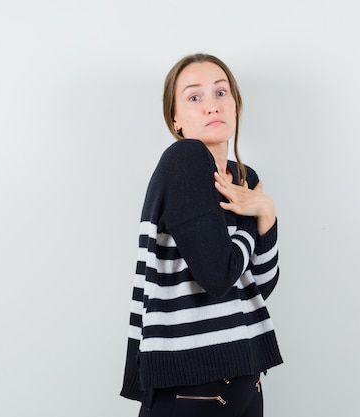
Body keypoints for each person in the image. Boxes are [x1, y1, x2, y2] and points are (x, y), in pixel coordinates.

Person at [120, 53, 283, 417]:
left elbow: (259, 286)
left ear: (236, 105)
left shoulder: (245, 178)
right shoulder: (185, 159)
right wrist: (251, 215)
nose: (212, 105)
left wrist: (266, 213)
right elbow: (218, 277)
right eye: (195, 97)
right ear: (176, 119)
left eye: (221, 93)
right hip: (192, 385)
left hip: (244, 374)